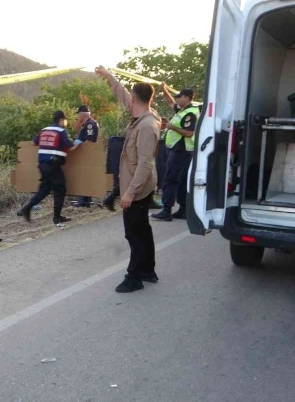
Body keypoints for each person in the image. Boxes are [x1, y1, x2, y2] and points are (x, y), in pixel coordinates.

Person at [95, 65, 161, 294]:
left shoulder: (147, 126)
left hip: (138, 187)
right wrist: (108, 77)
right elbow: (122, 94)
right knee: (142, 229)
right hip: (138, 184)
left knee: (134, 233)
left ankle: (134, 277)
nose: (127, 100)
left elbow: (145, 163)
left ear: (135, 99)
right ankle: (148, 270)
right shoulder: (143, 113)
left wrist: (130, 192)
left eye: (130, 97)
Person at [17, 110, 79, 224]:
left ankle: (26, 208)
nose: (65, 122)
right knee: (60, 188)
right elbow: (71, 147)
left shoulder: (44, 130)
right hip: (53, 164)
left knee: (45, 189)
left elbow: (33, 142)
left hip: (42, 164)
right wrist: (78, 141)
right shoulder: (61, 131)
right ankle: (57, 217)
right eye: (65, 120)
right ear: (61, 120)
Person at [151, 85, 200, 222]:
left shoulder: (191, 113)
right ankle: (183, 210)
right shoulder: (183, 110)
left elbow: (189, 133)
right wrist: (164, 89)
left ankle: (166, 210)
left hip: (181, 150)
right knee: (182, 180)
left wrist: (173, 127)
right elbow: (170, 102)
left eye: (180, 97)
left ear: (188, 97)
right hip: (181, 150)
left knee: (171, 179)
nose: (177, 100)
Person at [72, 105, 101, 208]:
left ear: (81, 114)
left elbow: (88, 142)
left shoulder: (90, 124)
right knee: (85, 176)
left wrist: (79, 145)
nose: (78, 117)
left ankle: (84, 200)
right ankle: (85, 199)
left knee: (85, 176)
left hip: (87, 154)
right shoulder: (87, 124)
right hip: (86, 154)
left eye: (78, 114)